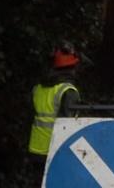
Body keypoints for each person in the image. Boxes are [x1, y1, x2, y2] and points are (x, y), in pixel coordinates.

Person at [28, 41, 90, 184]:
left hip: (36, 148)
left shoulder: (38, 89)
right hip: (57, 149)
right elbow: (70, 126)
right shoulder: (67, 91)